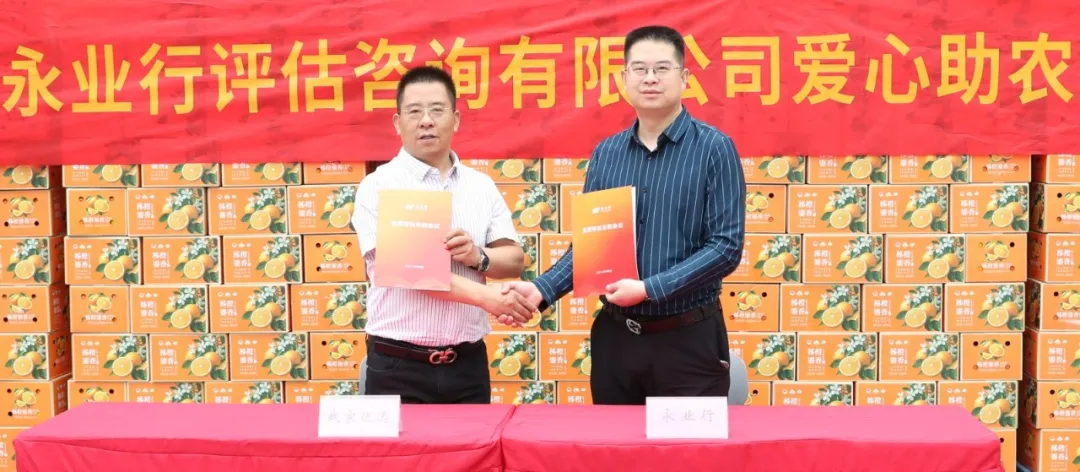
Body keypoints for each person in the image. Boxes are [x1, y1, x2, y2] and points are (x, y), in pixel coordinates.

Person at [502, 25, 746, 405]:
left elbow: (725, 248)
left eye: (662, 68)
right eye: (640, 69)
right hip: (616, 343)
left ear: (684, 78)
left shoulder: (715, 148)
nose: (650, 78)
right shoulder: (606, 154)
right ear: (624, 78)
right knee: (612, 442)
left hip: (688, 343)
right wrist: (540, 289)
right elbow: (591, 246)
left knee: (688, 444)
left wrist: (649, 289)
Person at [351, 66, 536, 404]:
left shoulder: (481, 186)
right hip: (397, 366)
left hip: (467, 365)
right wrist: (490, 299)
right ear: (398, 123)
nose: (426, 121)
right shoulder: (378, 186)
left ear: (456, 119)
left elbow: (513, 260)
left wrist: (478, 256)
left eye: (437, 110)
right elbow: (410, 272)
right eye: (414, 112)